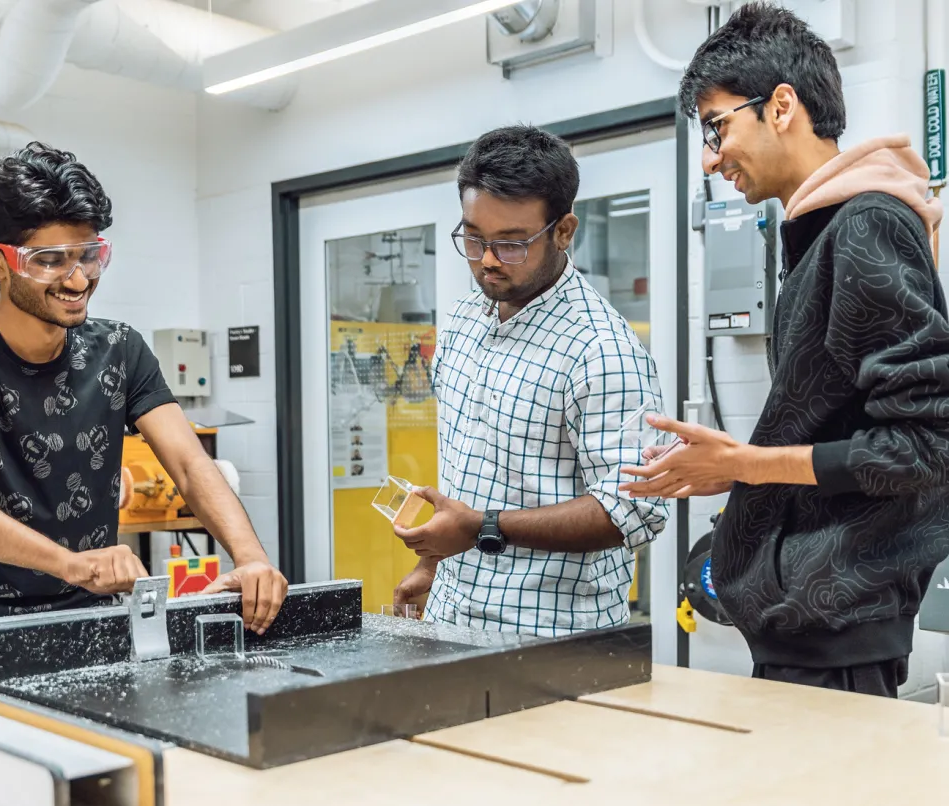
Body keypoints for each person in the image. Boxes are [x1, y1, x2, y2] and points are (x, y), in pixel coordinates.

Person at [621, 2, 949, 696]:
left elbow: (926, 447)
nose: (710, 159)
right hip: (813, 630)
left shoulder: (865, 228)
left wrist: (746, 462)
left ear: (780, 106)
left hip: (838, 638)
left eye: (716, 128)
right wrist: (739, 470)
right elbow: (844, 431)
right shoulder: (825, 231)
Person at [0, 142, 286, 642]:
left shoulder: (118, 349)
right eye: (50, 260)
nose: (79, 278)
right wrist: (73, 565)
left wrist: (252, 559)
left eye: (90, 255)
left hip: (92, 618)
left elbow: (192, 466)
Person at [393, 125, 668, 635]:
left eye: (512, 244)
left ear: (563, 231)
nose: (488, 261)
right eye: (474, 239)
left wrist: (482, 530)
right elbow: (466, 467)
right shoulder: (463, 321)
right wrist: (433, 565)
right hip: (452, 616)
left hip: (551, 635)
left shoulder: (601, 350)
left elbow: (635, 509)